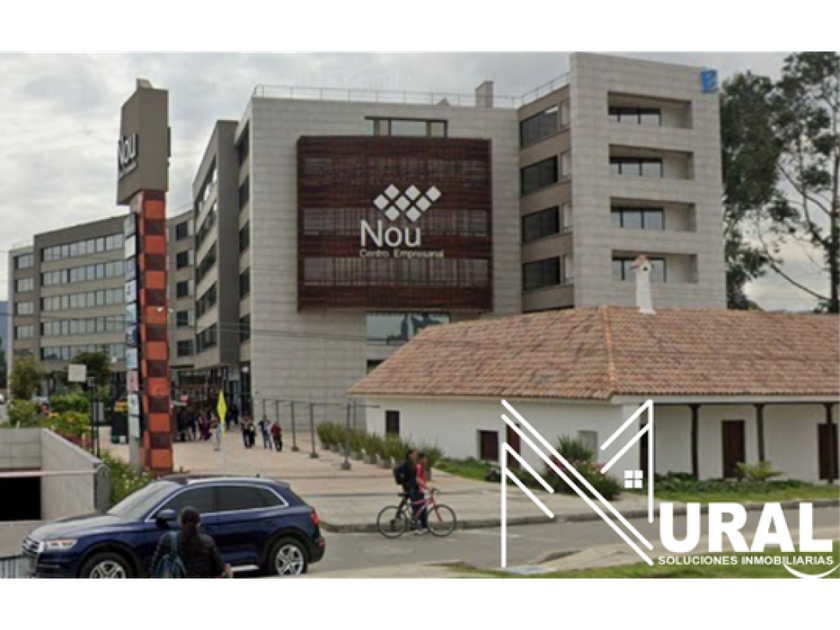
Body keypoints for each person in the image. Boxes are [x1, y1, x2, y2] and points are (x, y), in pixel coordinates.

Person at [149, 507, 230, 580]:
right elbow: (218, 570)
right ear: (198, 524)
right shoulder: (207, 541)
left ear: (180, 522)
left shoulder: (168, 539)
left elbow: (154, 567)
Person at [413, 452, 430, 534]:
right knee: (421, 510)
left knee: (422, 510)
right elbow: (417, 479)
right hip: (418, 491)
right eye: (425, 458)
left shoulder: (418, 466)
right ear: (422, 459)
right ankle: (421, 528)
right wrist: (428, 488)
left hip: (418, 491)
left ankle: (424, 527)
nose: (426, 460)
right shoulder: (419, 467)